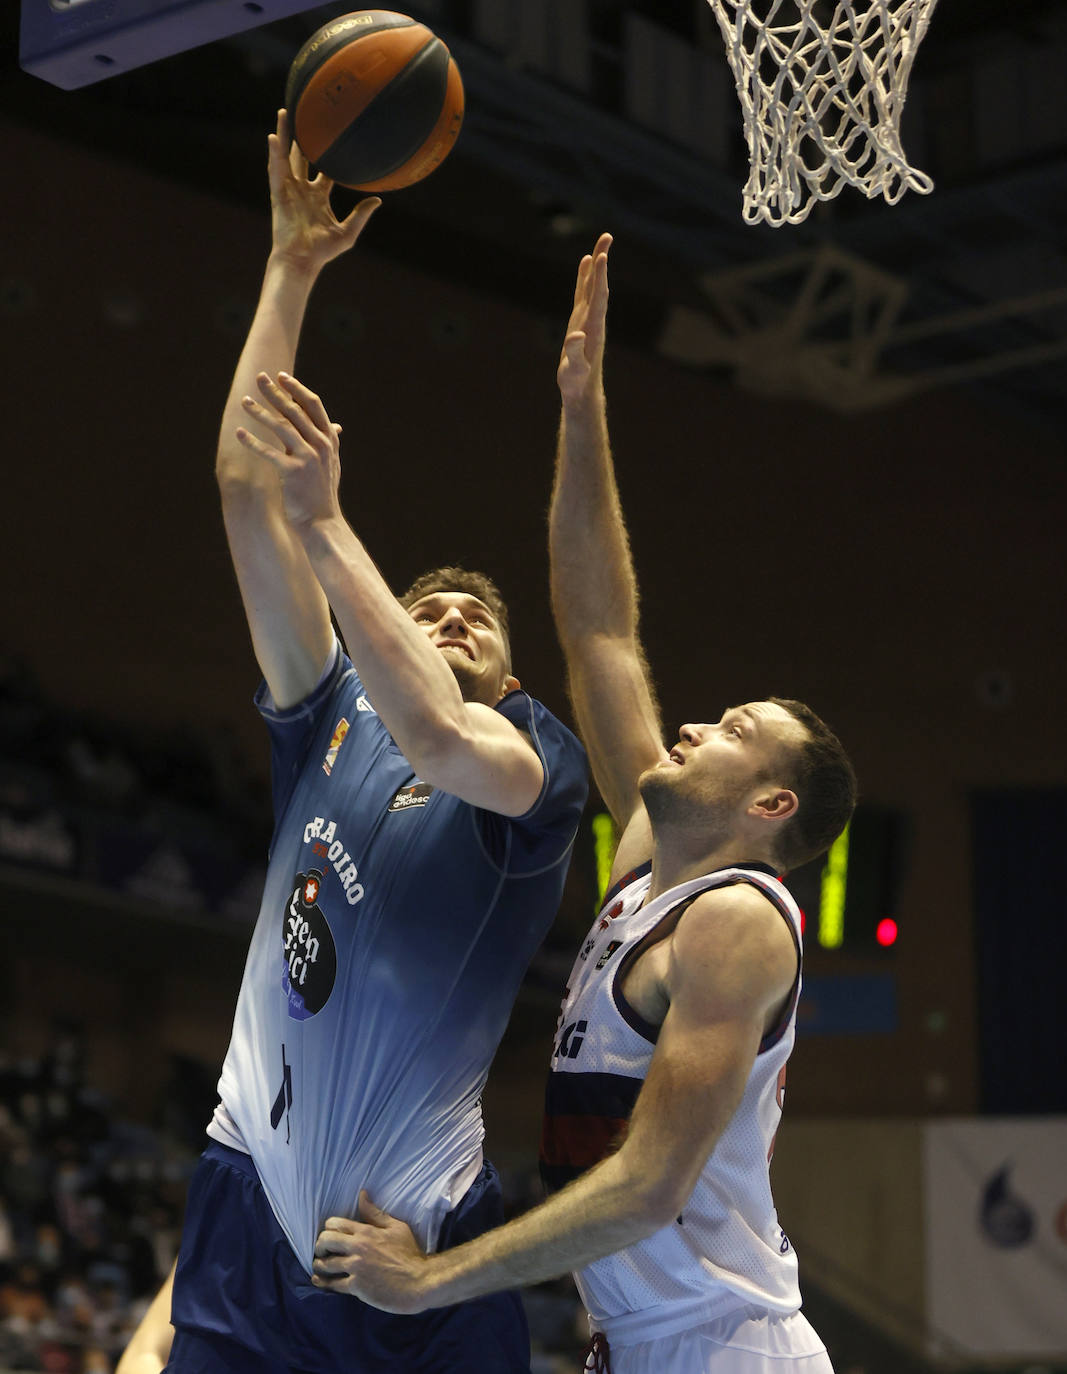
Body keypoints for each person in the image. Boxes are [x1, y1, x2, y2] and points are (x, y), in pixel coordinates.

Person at [309, 234, 857, 1373]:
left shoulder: (735, 923)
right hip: (647, 1344)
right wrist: (579, 405)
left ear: (765, 804)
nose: (699, 724)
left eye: (736, 732)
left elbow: (650, 1185)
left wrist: (428, 1284)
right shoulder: (649, 871)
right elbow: (599, 625)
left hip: (719, 1347)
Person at [153, 111, 589, 1374]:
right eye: (428, 607)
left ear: (510, 671)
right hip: (245, 1203)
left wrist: (334, 527)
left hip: (407, 1247)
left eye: (474, 617)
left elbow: (441, 736)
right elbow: (246, 492)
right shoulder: (328, 717)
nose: (447, 617)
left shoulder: (533, 772)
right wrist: (292, 269)